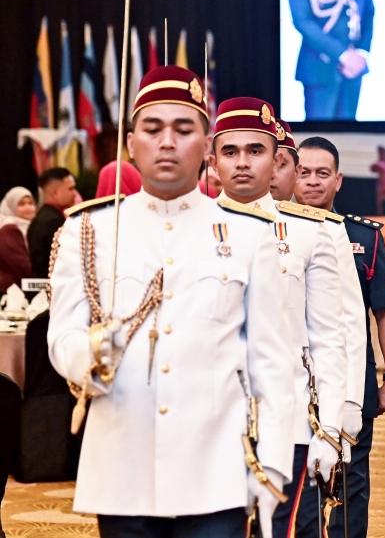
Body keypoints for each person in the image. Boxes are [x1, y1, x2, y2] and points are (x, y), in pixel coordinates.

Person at [47, 65, 296, 538]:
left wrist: (274, 467)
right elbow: (61, 336)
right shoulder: (88, 231)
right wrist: (89, 355)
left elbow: (272, 363)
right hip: (121, 467)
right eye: (153, 129)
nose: (167, 142)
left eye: (184, 130)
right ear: (130, 143)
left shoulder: (248, 235)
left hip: (216, 470)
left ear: (206, 147)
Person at [208, 99, 357, 537]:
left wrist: (331, 425)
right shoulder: (190, 227)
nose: (242, 163)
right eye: (230, 152)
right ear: (212, 160)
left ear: (277, 161)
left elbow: (331, 336)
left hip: (286, 419)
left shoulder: (312, 231)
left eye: (255, 151)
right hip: (206, 418)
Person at [295, 135, 385, 538]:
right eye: (303, 172)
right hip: (294, 378)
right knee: (300, 477)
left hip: (353, 379)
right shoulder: (273, 234)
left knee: (350, 477)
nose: (312, 182)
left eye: (322, 173)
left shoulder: (364, 237)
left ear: (338, 180)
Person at [27, 167, 79, 278]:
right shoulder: (54, 222)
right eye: (71, 189)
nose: (75, 194)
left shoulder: (40, 217)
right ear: (55, 193)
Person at [0, 187, 36, 293]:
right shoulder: (9, 228)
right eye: (21, 204)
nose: (28, 207)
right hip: (13, 291)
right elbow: (21, 265)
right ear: (10, 206)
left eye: (30, 203)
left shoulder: (30, 226)